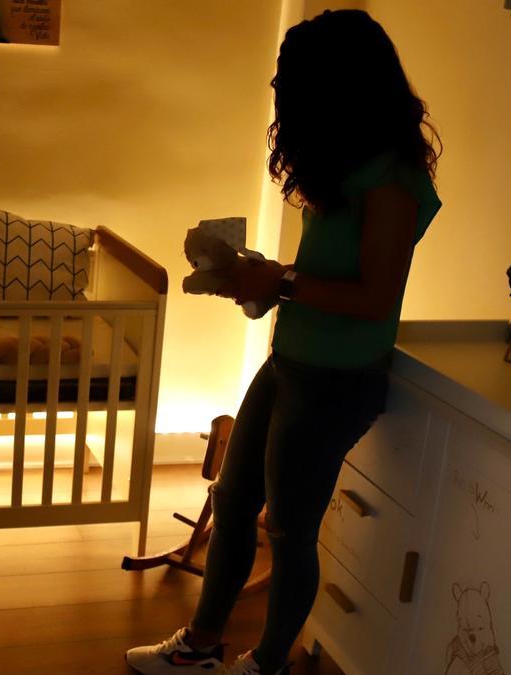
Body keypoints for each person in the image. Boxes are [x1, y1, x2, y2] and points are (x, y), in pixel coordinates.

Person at [126, 10, 442, 675]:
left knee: (290, 531)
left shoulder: (389, 179)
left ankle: (267, 663)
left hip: (335, 377)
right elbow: (325, 276)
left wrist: (284, 281)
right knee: (236, 500)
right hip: (294, 359)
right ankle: (203, 646)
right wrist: (261, 279)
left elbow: (373, 296)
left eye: (292, 79)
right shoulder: (349, 162)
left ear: (339, 84)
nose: (279, 88)